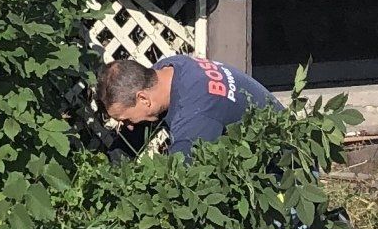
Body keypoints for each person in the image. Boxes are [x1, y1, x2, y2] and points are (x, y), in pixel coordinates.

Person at [97, 51, 268, 157]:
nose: (129, 127)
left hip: (281, 174)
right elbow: (136, 134)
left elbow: (181, 187)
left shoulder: (194, 119)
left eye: (126, 120)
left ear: (143, 99)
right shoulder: (166, 72)